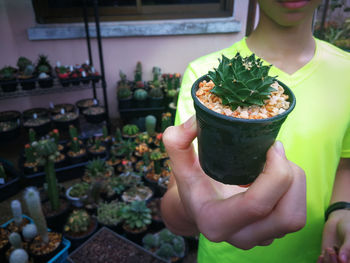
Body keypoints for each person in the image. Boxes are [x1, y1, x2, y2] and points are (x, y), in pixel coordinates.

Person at [160, 0, 350, 262]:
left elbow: (345, 165)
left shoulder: (347, 73)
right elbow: (174, 210)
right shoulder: (204, 77)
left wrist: (341, 210)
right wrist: (197, 209)